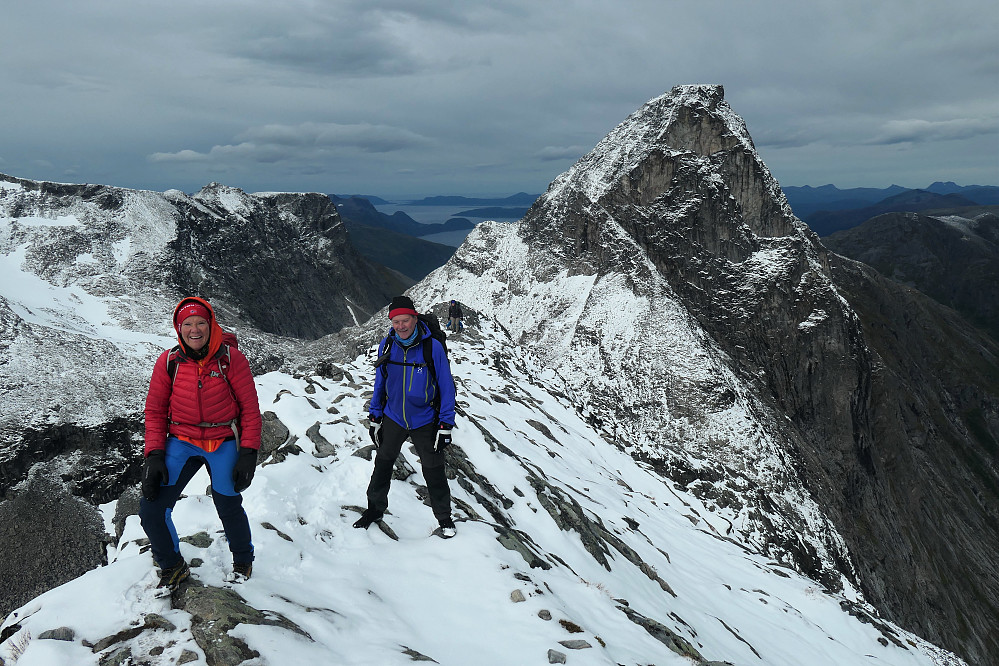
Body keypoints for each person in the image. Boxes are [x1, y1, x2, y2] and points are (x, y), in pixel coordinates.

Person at [139, 296, 262, 589]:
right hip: (182, 439)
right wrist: (154, 454)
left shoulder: (232, 359)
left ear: (211, 325)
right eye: (188, 324)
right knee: (151, 507)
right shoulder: (169, 362)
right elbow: (155, 411)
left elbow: (249, 410)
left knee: (228, 502)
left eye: (201, 323)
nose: (195, 330)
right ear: (179, 328)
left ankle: (243, 558)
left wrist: (248, 452)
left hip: (222, 439)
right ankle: (172, 565)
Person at [355, 295, 458, 538]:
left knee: (433, 469)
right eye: (396, 322)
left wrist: (445, 424)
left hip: (425, 418)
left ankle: (444, 518)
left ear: (415, 318)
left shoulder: (431, 347)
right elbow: (380, 382)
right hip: (393, 417)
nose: (401, 326)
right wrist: (375, 415)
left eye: (405, 320)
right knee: (382, 463)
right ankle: (374, 510)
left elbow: (446, 385)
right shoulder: (387, 345)